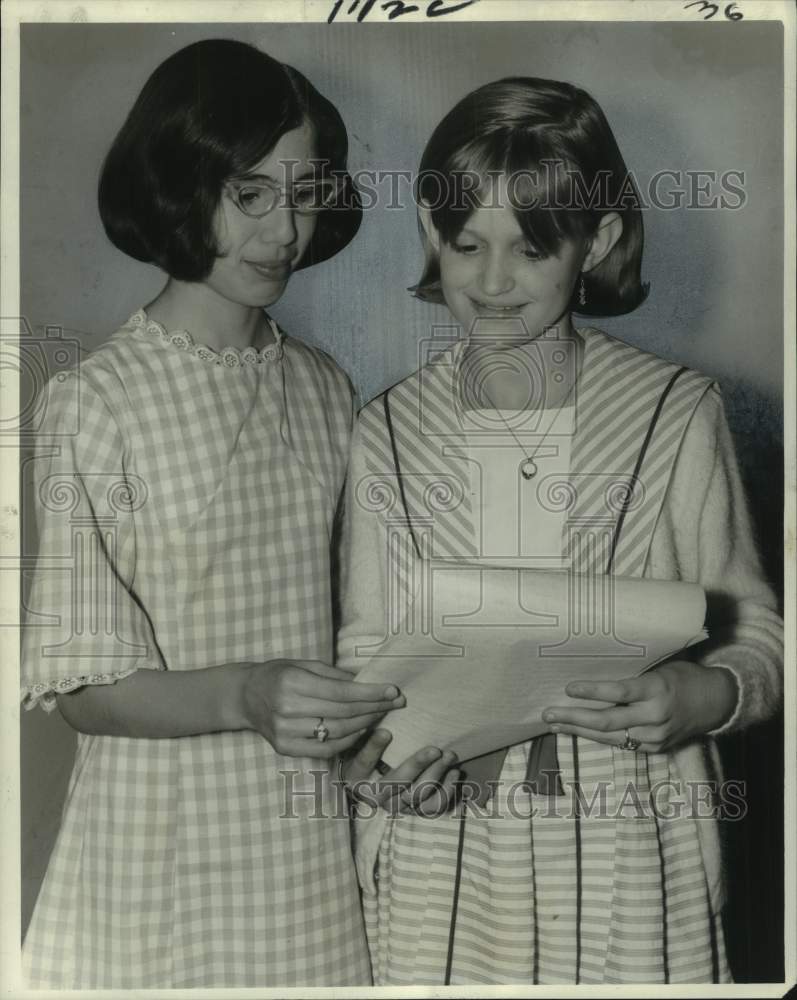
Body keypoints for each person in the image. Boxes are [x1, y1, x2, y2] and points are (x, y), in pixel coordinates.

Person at [337, 77, 783, 984]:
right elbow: (366, 651)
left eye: (531, 249)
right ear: (431, 230)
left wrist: (704, 697)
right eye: (467, 245)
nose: (492, 282)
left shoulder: (674, 413)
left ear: (598, 241)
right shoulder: (384, 429)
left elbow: (759, 636)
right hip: (441, 849)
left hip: (630, 843)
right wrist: (371, 764)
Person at [20, 38, 404, 988]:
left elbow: (345, 636)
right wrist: (245, 696)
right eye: (250, 194)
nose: (285, 231)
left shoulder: (324, 389)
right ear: (179, 184)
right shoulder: (95, 400)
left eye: (305, 192)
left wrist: (365, 752)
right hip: (163, 840)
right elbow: (80, 689)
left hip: (306, 847)